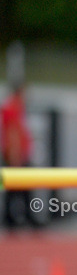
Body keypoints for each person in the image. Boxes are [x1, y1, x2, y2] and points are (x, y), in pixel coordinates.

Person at [1, 80, 37, 230]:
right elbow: (12, 132)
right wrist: (15, 155)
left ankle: (17, 217)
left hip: (17, 153)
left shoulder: (16, 107)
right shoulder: (12, 107)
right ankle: (15, 218)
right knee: (15, 188)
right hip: (15, 155)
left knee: (19, 188)